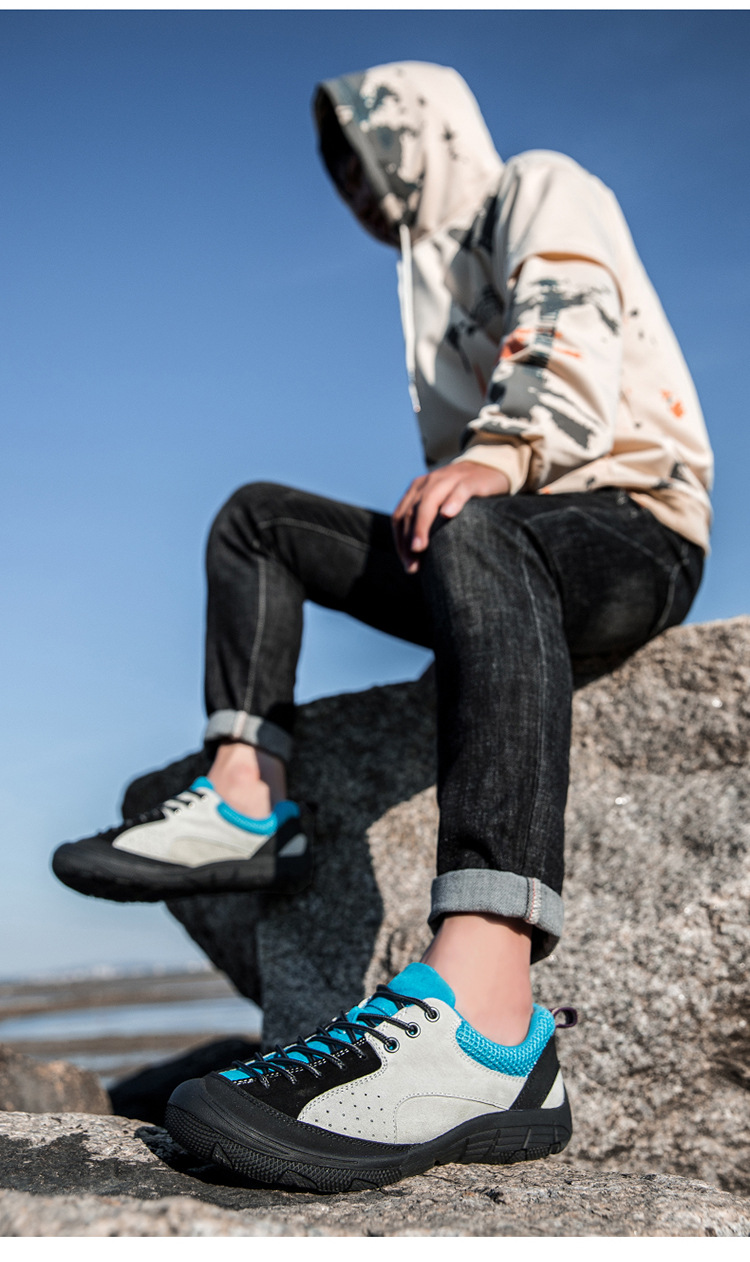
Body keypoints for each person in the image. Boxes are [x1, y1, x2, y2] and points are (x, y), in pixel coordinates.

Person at [52, 62, 712, 1191]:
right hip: (495, 542)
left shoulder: (537, 185)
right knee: (259, 519)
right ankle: (245, 798)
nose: (359, 191)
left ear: (422, 133)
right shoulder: (423, 283)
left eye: (367, 159)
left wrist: (503, 452)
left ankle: (489, 1016)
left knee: (476, 524)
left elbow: (571, 311)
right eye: (343, 177)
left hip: (633, 523)